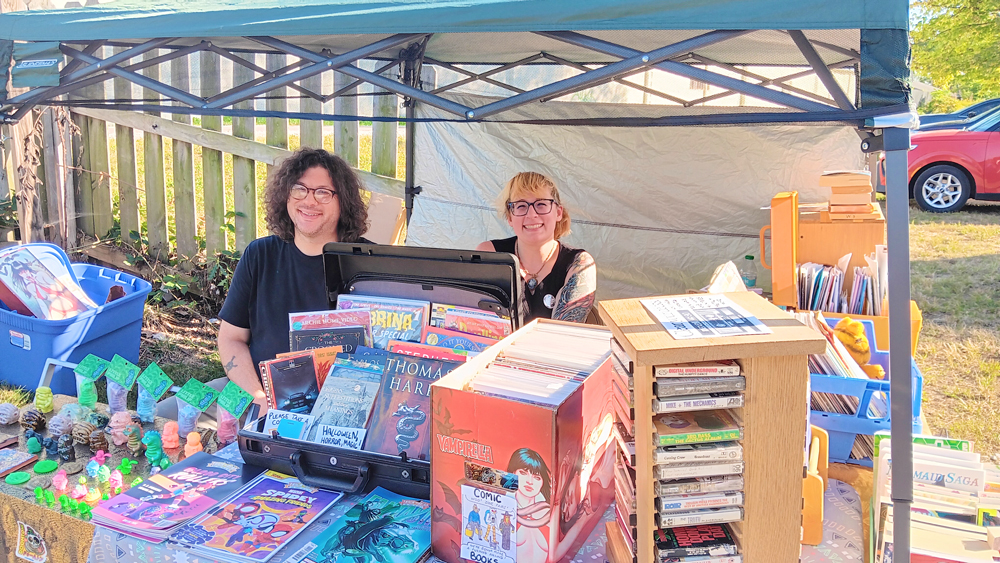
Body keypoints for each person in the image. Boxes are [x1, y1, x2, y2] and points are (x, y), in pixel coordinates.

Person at [158, 148, 371, 421]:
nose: (309, 201)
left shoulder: (369, 265)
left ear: (344, 202)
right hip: (252, 393)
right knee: (158, 420)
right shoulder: (260, 255)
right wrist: (258, 398)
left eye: (323, 192)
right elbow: (231, 338)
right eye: (300, 189)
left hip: (340, 408)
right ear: (286, 195)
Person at [476, 172, 596, 324]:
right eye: (521, 206)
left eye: (541, 204)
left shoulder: (579, 264)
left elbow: (562, 335)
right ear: (510, 217)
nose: (531, 214)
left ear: (558, 212)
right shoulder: (489, 254)